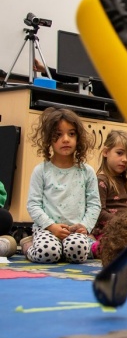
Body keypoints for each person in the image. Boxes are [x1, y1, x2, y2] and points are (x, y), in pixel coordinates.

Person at [25, 107, 100, 263]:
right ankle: (27, 244)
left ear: (78, 138)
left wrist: (85, 226)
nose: (66, 139)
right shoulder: (42, 170)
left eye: (71, 134)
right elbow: (33, 204)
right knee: (48, 254)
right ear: (49, 140)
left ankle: (71, 248)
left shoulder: (87, 171)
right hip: (47, 229)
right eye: (58, 135)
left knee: (78, 252)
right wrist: (51, 226)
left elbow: (94, 204)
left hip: (75, 230)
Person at [92, 130, 127, 241]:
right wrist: (124, 225)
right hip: (109, 231)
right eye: (119, 153)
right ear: (105, 152)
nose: (125, 159)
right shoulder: (101, 181)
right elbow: (99, 213)